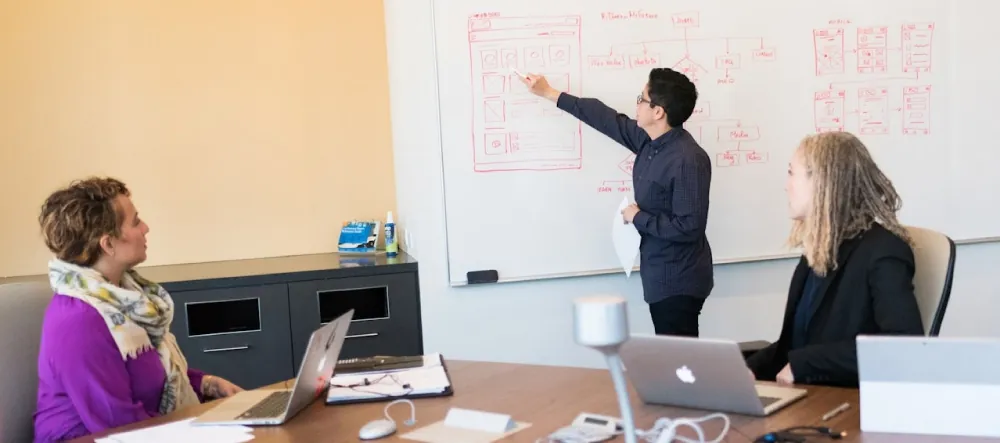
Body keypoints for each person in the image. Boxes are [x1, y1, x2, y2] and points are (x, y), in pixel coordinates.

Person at [33, 177, 244, 442]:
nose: (145, 228)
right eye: (135, 222)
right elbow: (117, 425)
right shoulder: (79, 321)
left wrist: (206, 383)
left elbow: (155, 371)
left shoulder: (127, 298)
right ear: (108, 243)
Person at [521, 68, 713, 337]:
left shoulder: (687, 159)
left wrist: (638, 217)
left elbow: (689, 227)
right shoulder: (649, 141)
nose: (636, 104)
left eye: (641, 99)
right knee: (672, 359)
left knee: (680, 363)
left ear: (658, 112)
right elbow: (605, 118)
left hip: (679, 279)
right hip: (659, 274)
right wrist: (549, 93)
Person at [746, 131, 925, 387]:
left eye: (791, 173)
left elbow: (903, 347)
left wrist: (805, 364)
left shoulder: (884, 252)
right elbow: (794, 344)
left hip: (848, 404)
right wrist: (748, 369)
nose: (786, 185)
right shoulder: (819, 250)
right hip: (813, 396)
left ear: (823, 182)